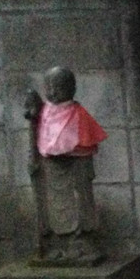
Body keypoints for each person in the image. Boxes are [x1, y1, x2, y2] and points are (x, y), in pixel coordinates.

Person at [24, 66, 107, 266]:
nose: (53, 92)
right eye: (49, 87)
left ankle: (78, 243)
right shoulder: (44, 112)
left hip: (74, 168)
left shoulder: (78, 114)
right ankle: (55, 244)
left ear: (72, 87)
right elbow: (36, 134)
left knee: (78, 204)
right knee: (51, 205)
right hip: (49, 168)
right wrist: (33, 115)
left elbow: (85, 145)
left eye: (59, 86)